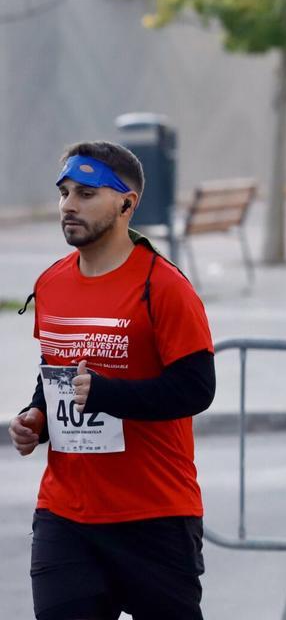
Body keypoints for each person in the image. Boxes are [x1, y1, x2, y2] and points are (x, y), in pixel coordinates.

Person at [8, 141, 216, 620]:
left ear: (127, 204)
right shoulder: (51, 283)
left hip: (155, 516)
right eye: (64, 193)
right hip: (66, 515)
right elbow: (56, 373)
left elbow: (196, 388)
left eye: (86, 193)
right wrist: (35, 418)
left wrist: (107, 395)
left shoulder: (165, 287)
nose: (69, 205)